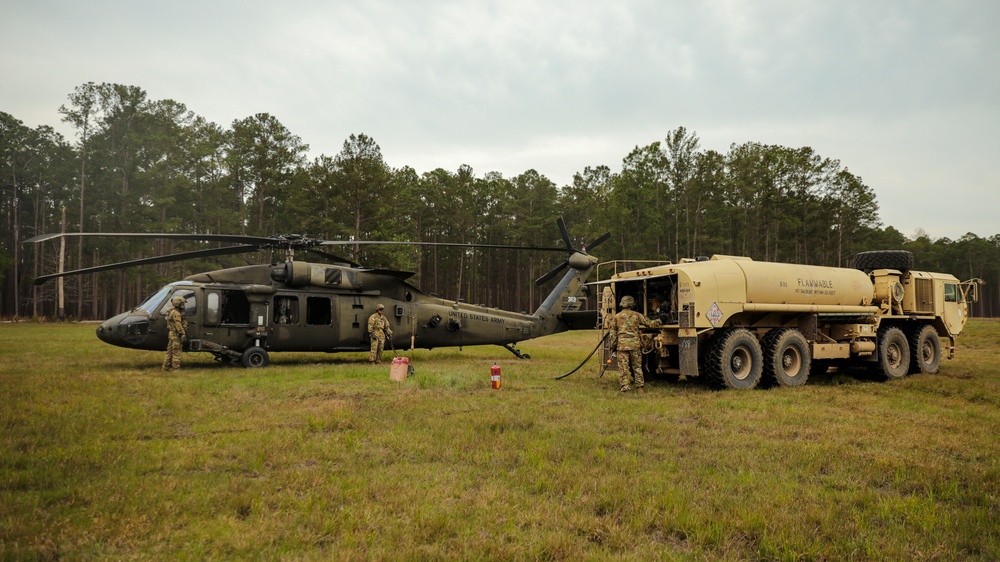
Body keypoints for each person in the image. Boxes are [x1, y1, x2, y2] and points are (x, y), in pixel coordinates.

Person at [608, 295, 660, 393]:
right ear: (632, 304)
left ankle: (625, 388)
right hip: (635, 346)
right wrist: (660, 320)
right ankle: (640, 387)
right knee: (637, 366)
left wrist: (615, 345)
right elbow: (650, 324)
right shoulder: (637, 315)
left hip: (622, 346)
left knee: (623, 368)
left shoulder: (616, 317)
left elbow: (613, 333)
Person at [162, 296, 188, 371]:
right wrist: (182, 333)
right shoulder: (177, 314)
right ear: (179, 304)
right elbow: (178, 324)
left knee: (169, 352)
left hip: (171, 334)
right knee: (177, 352)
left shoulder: (171, 311)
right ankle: (175, 369)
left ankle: (165, 367)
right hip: (176, 335)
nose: (183, 306)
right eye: (182, 304)